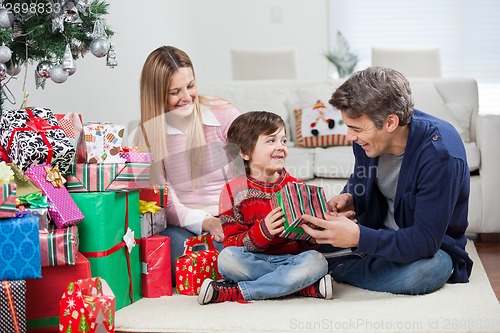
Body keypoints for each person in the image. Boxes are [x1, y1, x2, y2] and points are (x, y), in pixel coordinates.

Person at [301, 66, 473, 295]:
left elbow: (425, 240)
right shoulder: (365, 139)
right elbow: (359, 177)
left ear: (391, 123)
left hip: (427, 246)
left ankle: (338, 265)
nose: (350, 136)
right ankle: (346, 258)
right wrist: (351, 196)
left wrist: (358, 237)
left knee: (426, 271)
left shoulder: (440, 154)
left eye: (356, 129)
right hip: (376, 231)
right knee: (306, 234)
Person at [197, 111, 333, 305]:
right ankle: (302, 286)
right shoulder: (231, 191)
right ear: (244, 152)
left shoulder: (297, 188)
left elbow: (307, 245)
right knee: (227, 259)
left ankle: (240, 292)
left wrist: (316, 231)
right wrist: (263, 232)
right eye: (271, 141)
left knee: (317, 261)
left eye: (283, 141)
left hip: (290, 260)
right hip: (252, 260)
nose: (281, 147)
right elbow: (232, 243)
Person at [135, 46, 240, 285]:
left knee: (237, 246)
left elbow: (252, 170)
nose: (187, 97)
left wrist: (229, 219)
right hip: (187, 224)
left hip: (231, 216)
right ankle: (228, 268)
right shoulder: (148, 135)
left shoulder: (223, 115)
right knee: (170, 249)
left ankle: (229, 267)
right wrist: (206, 222)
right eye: (175, 92)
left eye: (190, 86)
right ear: (156, 95)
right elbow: (165, 202)